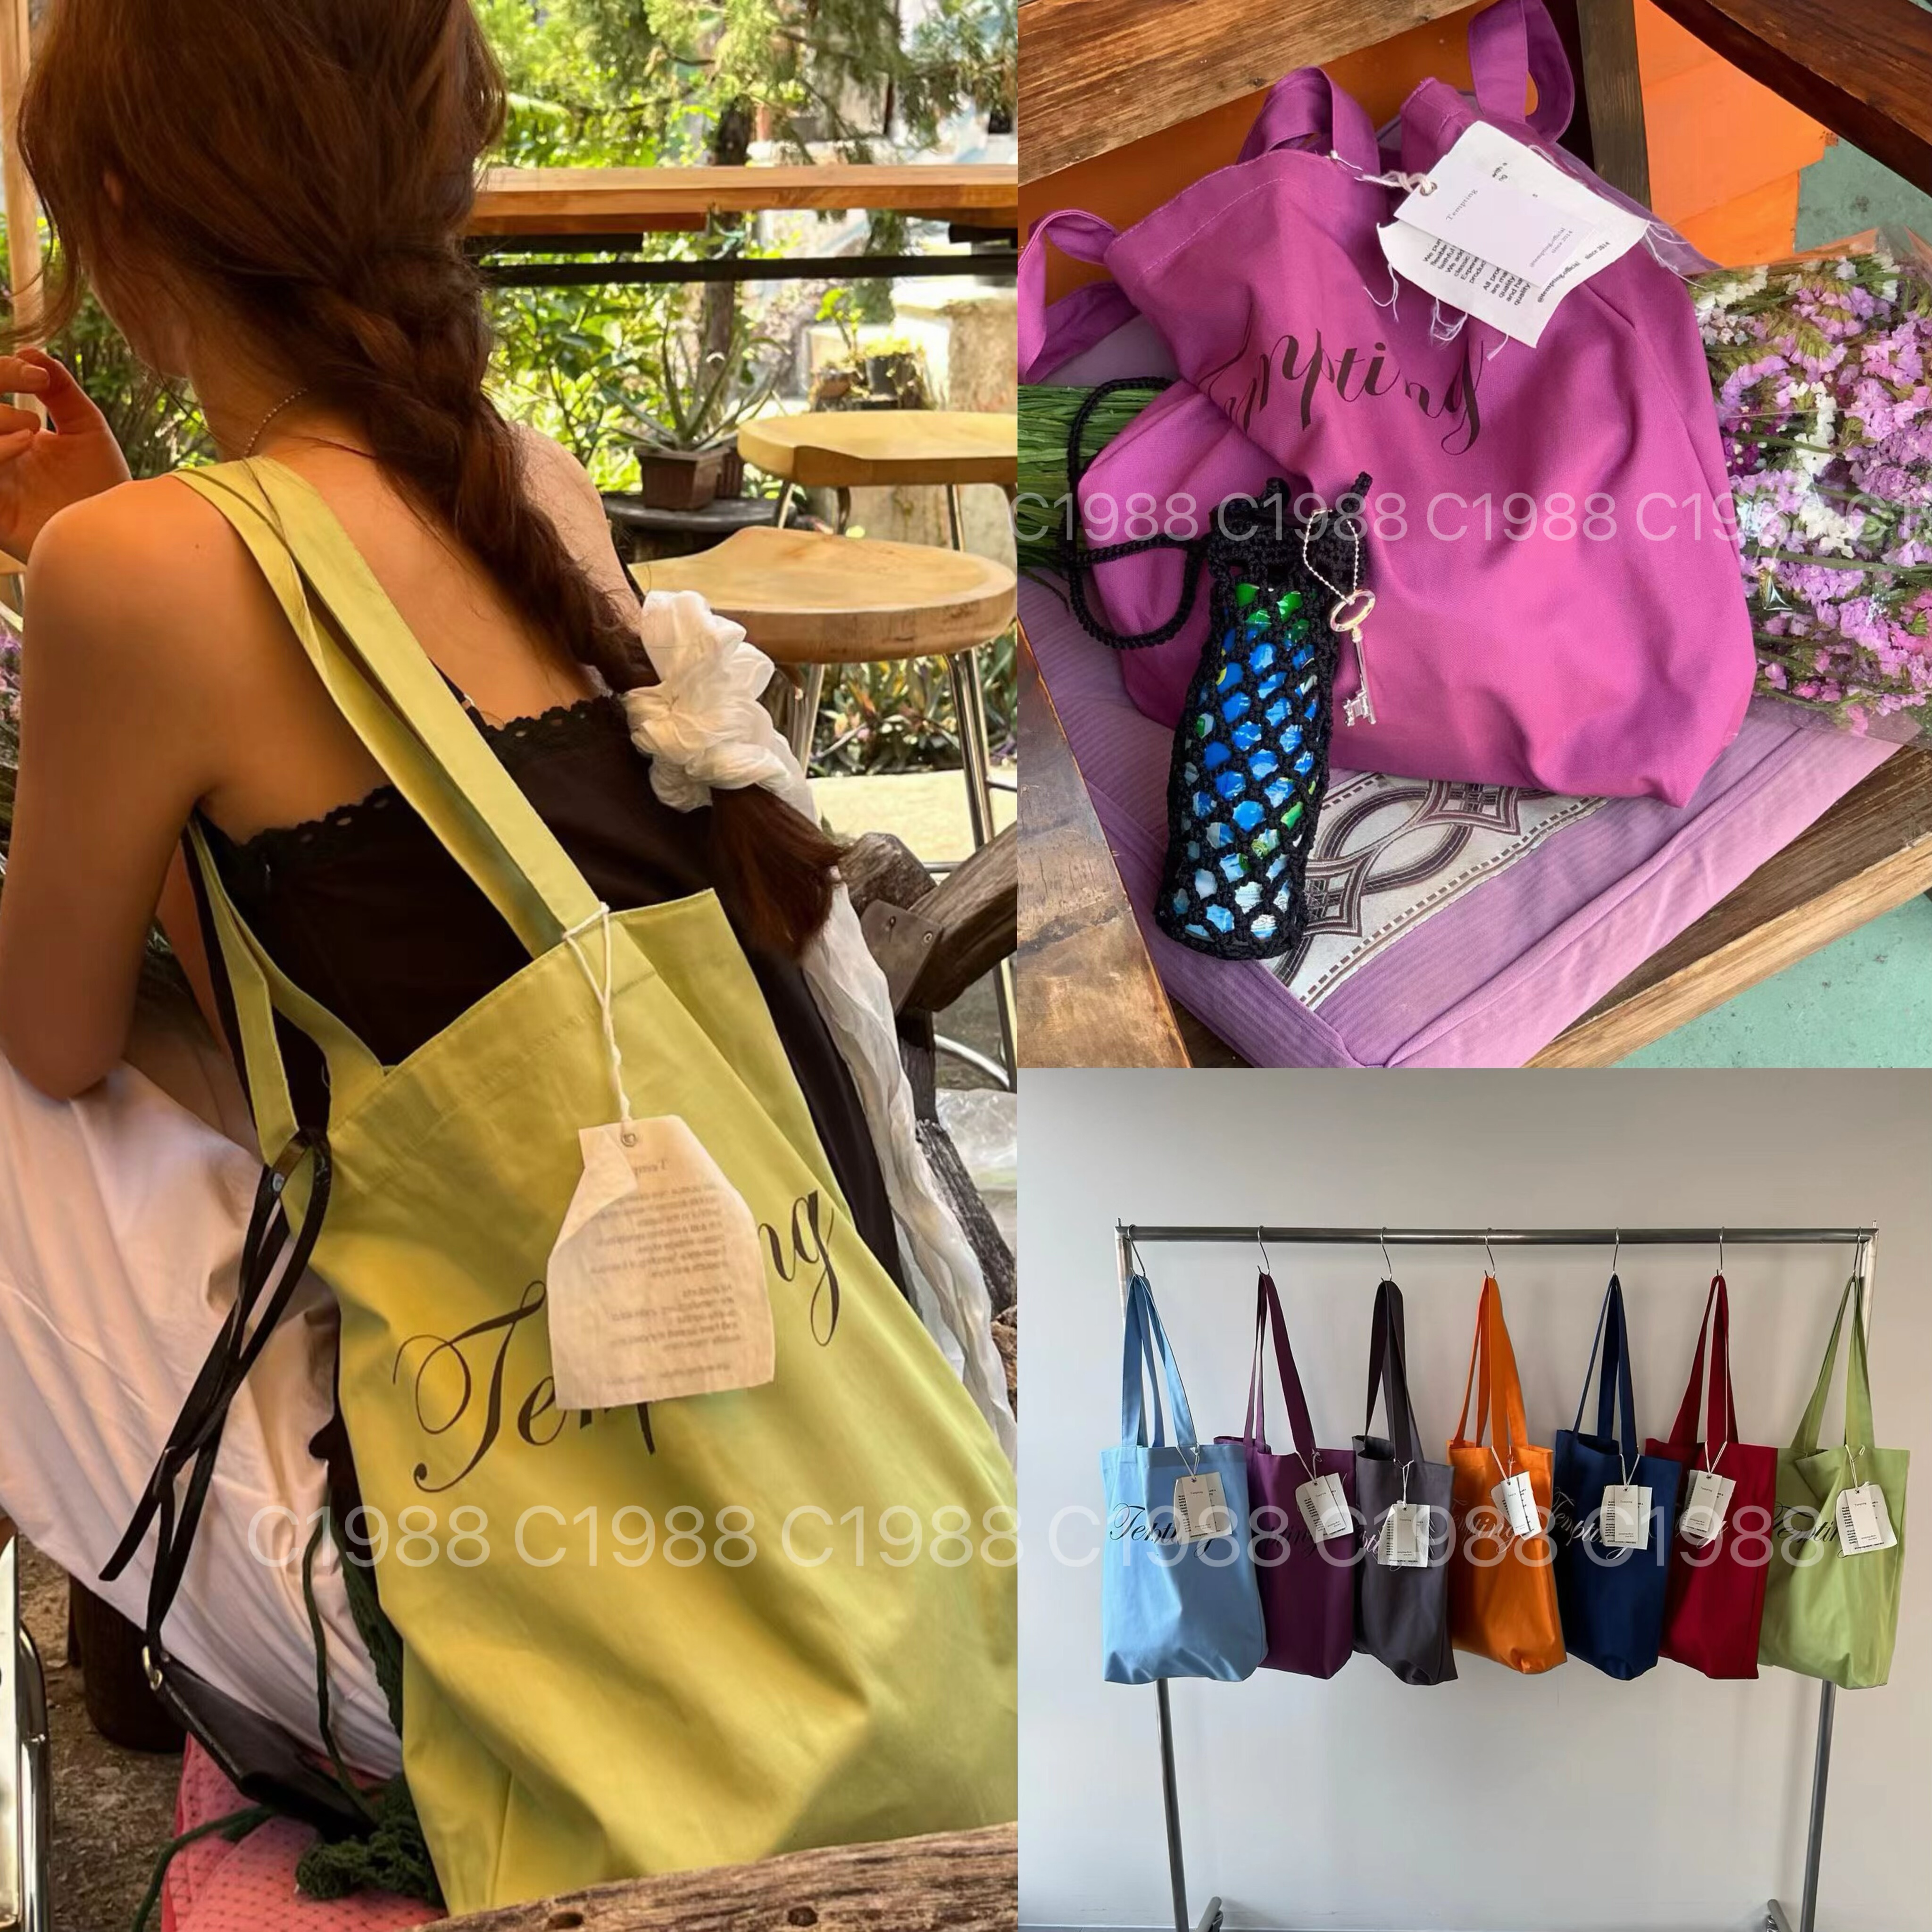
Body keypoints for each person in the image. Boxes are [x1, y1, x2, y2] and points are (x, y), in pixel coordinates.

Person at [0, 0, 1014, 1908]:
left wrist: (84, 568)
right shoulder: (523, 478)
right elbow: (332, 977)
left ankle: (126, 1667)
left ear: (124, 210)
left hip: (491, 1563)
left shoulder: (134, 575)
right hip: (853, 1523)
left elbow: (52, 1044)